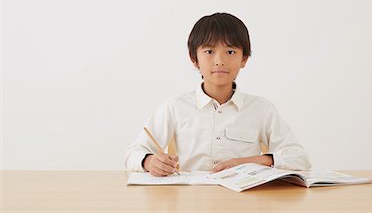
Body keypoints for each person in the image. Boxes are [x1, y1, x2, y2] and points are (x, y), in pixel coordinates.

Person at [124, 12, 311, 176]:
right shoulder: (174, 108)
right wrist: (149, 162)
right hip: (190, 202)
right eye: (209, 51)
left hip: (244, 202)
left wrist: (251, 162)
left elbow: (300, 158)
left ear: (244, 59)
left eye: (230, 51)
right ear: (194, 59)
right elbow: (132, 154)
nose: (219, 61)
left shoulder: (261, 109)